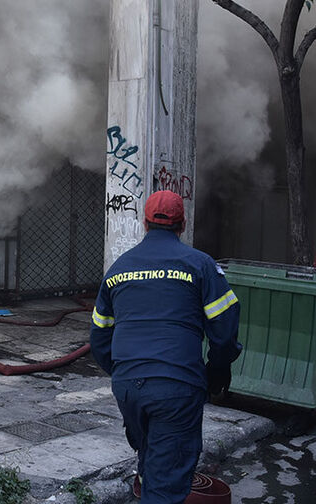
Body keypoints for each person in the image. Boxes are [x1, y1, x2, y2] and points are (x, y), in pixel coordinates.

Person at [89, 190, 242, 504]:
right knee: (166, 482)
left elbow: (99, 336)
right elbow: (224, 330)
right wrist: (217, 372)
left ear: (144, 224)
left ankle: (148, 483)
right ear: (182, 225)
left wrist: (122, 372)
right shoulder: (200, 265)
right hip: (177, 386)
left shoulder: (118, 269)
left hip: (128, 386)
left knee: (151, 452)